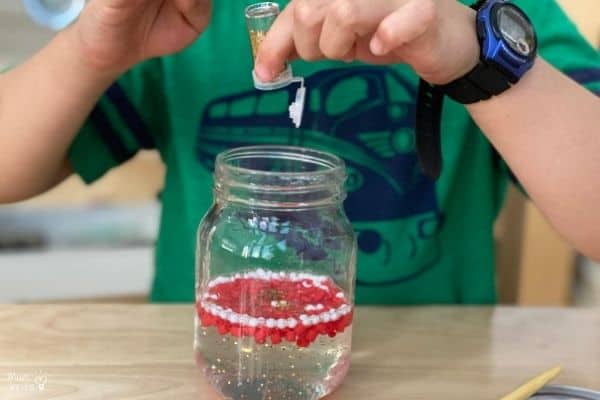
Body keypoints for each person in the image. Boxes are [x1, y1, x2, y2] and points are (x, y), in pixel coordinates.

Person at [0, 0, 598, 303]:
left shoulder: (487, 16)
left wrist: (477, 55)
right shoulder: (179, 16)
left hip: (439, 369)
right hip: (213, 361)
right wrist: (90, 52)